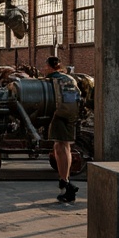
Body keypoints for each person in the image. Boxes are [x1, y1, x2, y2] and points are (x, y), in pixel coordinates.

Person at [45, 55, 79, 203]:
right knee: (66, 146)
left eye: (45, 66)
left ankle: (65, 183)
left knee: (60, 147)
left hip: (59, 113)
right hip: (72, 113)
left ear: (49, 67)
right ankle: (66, 181)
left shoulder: (52, 78)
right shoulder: (70, 79)